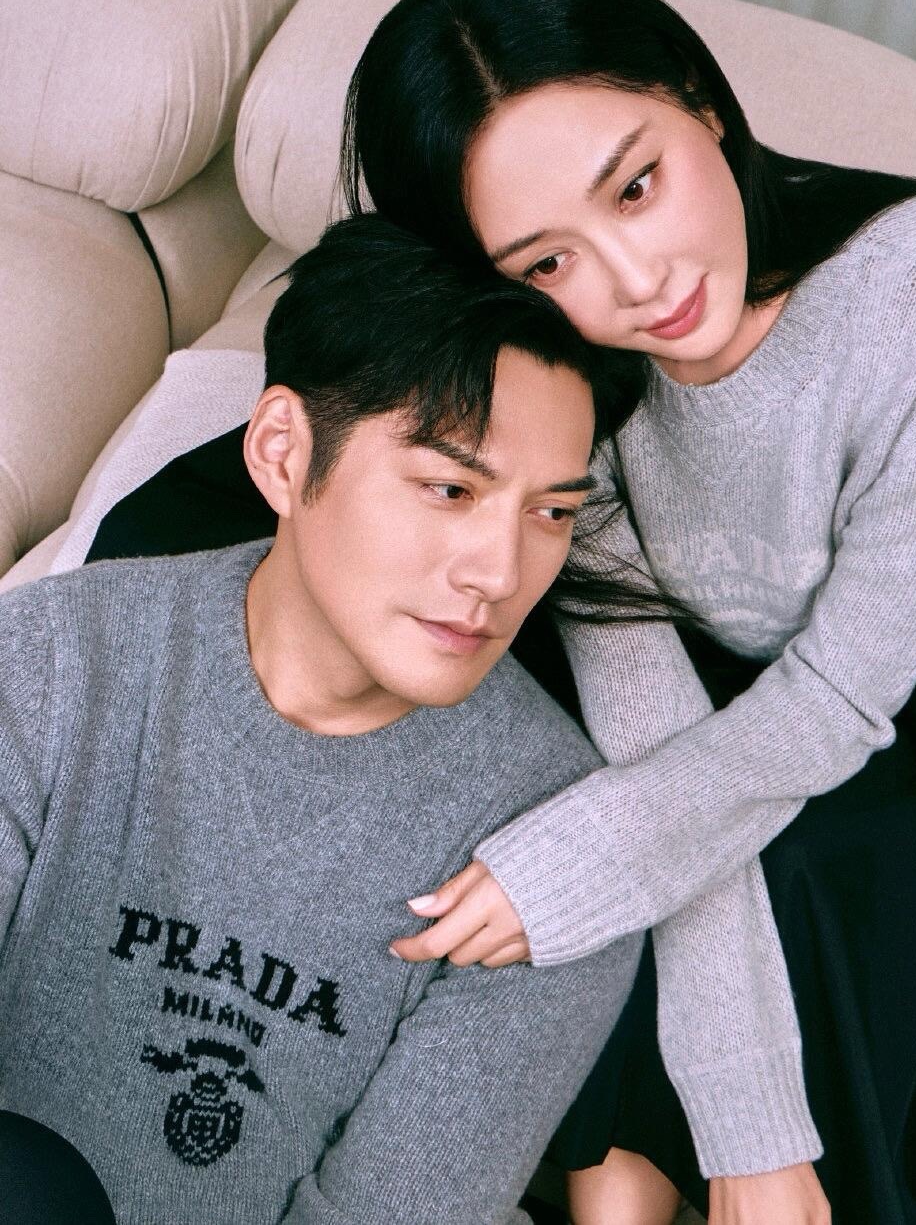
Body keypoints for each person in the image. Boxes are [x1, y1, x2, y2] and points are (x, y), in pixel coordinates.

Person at [77, 0, 916, 1225]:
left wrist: (743, 1115)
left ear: (696, 97)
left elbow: (833, 703)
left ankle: (628, 1165)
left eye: (638, 185)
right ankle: (616, 1170)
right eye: (547, 262)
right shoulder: (568, 383)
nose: (639, 283)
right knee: (238, 581)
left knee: (791, 874)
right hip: (693, 619)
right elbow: (637, 695)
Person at [0, 214, 646, 1224]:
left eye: (551, 512)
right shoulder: (50, 658)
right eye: (450, 487)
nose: (500, 571)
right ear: (282, 453)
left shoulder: (554, 855)